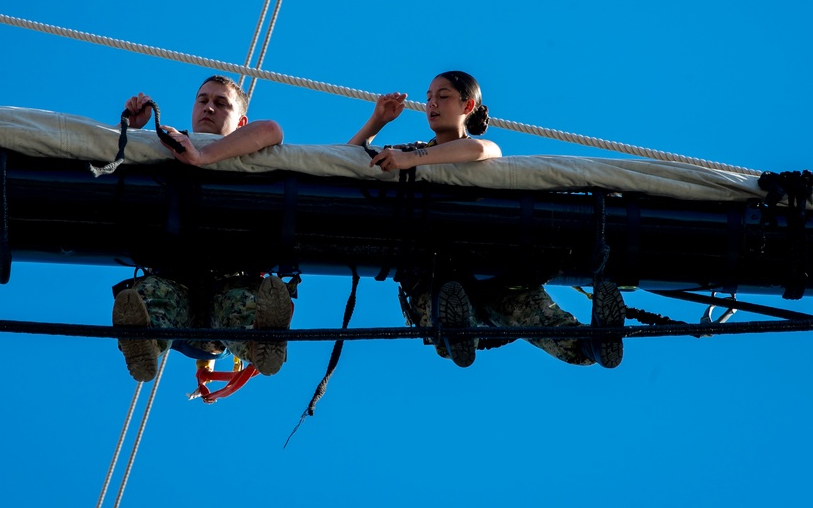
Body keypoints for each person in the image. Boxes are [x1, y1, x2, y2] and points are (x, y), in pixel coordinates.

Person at [348, 70, 625, 370]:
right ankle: (459, 332)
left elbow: (481, 148)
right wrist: (378, 121)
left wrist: (412, 160)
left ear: (468, 107)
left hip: (498, 275)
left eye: (443, 97)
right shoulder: (409, 150)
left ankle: (595, 344)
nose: (432, 104)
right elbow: (340, 161)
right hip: (435, 275)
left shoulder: (457, 153)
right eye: (428, 98)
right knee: (442, 313)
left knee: (541, 318)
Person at [111, 75, 296, 398]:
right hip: (176, 284)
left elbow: (272, 130)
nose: (209, 107)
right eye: (203, 100)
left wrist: (202, 158)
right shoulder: (171, 141)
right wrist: (137, 130)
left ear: (240, 121)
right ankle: (144, 342)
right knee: (156, 294)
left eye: (221, 103)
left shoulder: (246, 150)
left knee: (238, 304)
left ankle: (262, 342)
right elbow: (117, 158)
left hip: (227, 294)